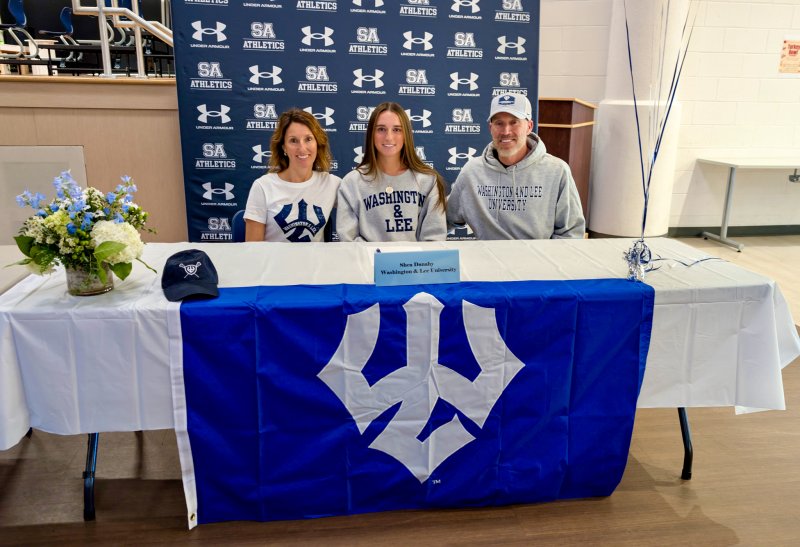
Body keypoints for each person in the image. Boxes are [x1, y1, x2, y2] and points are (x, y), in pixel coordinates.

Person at [446, 93, 585, 240]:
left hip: (537, 260)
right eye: (499, 123)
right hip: (487, 260)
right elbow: (443, 220)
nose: (506, 132)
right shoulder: (472, 171)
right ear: (490, 127)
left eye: (514, 122)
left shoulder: (557, 171)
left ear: (529, 126)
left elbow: (571, 234)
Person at [336, 102, 447, 242]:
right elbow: (349, 240)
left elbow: (434, 239)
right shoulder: (352, 183)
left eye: (397, 130)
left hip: (415, 264)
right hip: (369, 263)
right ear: (372, 134)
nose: (389, 137)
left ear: (406, 134)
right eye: (381, 129)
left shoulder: (428, 181)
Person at [244, 109, 341, 242]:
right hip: (274, 262)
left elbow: (364, 205)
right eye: (293, 141)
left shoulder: (332, 184)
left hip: (314, 262)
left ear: (317, 143)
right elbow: (253, 249)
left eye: (308, 139)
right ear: (284, 147)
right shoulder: (263, 187)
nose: (302, 148)